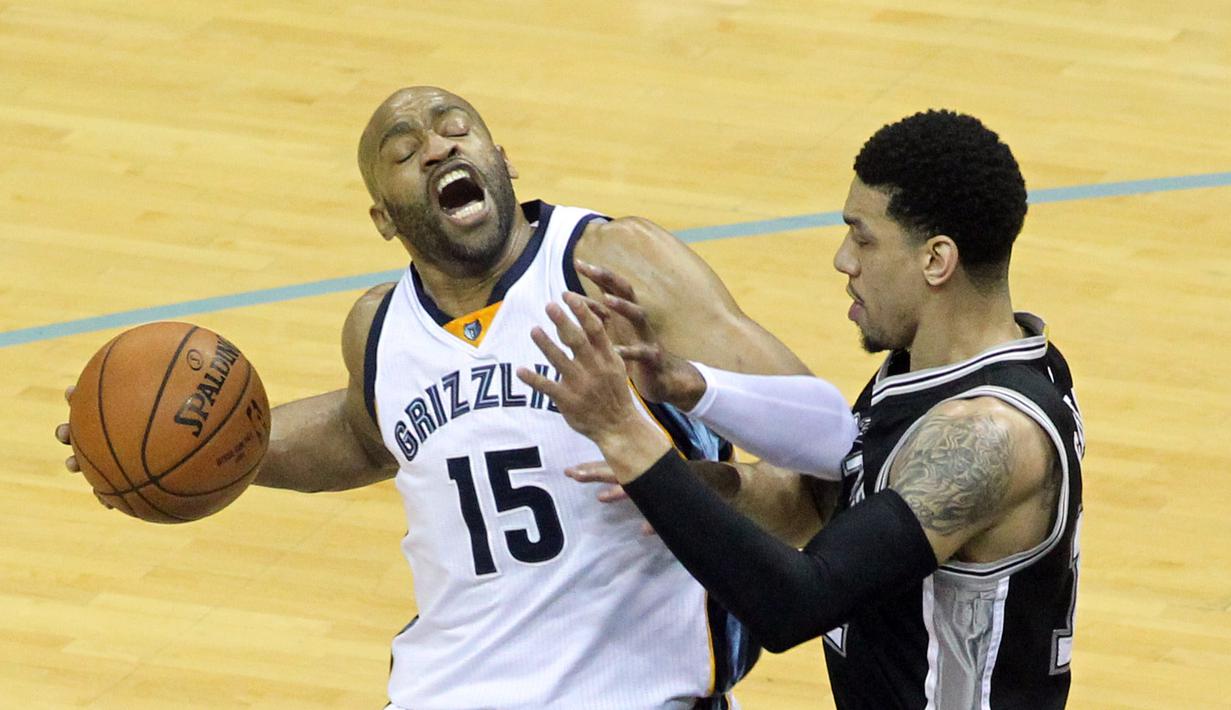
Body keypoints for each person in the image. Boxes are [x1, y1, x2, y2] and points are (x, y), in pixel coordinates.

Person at [54, 86, 835, 710]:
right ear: (382, 218)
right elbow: (365, 436)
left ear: (502, 158)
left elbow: (825, 455)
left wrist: (690, 488)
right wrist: (186, 455)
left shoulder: (610, 261)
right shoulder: (379, 327)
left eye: (455, 128)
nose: (436, 145)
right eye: (404, 151)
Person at [520, 110, 1085, 709]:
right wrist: (701, 460)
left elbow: (795, 604)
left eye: (863, 237)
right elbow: (829, 507)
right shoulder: (925, 370)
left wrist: (631, 439)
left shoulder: (988, 436)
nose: (844, 260)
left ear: (936, 261)